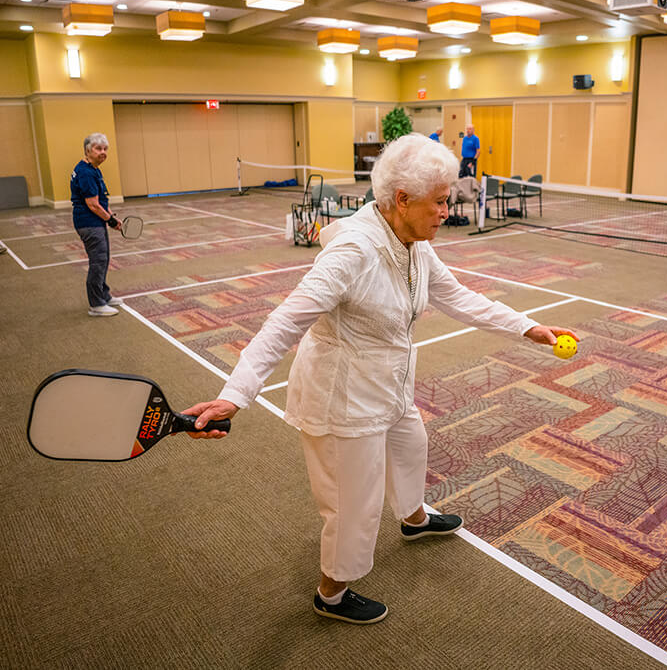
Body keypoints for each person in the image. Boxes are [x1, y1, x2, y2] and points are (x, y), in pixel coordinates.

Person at [183, 133, 579, 625]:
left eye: (447, 199)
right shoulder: (352, 252)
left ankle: (413, 519)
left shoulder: (413, 241)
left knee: (411, 446)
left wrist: (529, 327)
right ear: (402, 200)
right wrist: (234, 395)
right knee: (354, 502)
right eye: (439, 202)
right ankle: (332, 591)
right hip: (342, 394)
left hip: (388, 381)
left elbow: (457, 296)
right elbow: (285, 322)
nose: (446, 211)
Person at [71, 133, 123, 317]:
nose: (103, 152)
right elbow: (92, 204)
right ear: (88, 150)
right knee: (98, 261)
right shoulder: (85, 172)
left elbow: (101, 200)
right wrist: (109, 219)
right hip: (89, 223)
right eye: (98, 149)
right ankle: (96, 304)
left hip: (96, 221)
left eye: (105, 149)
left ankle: (104, 295)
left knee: (104, 258)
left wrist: (110, 218)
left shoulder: (93, 169)